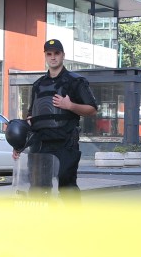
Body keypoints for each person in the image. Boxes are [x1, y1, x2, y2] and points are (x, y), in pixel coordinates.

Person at [13, 39, 98, 197]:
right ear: (45, 56)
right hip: (40, 144)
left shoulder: (75, 81)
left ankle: (71, 221)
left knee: (67, 188)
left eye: (56, 53)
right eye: (49, 54)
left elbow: (92, 109)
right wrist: (20, 144)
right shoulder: (38, 85)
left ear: (63, 55)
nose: (53, 57)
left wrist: (70, 106)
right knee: (37, 189)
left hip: (65, 143)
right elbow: (31, 119)